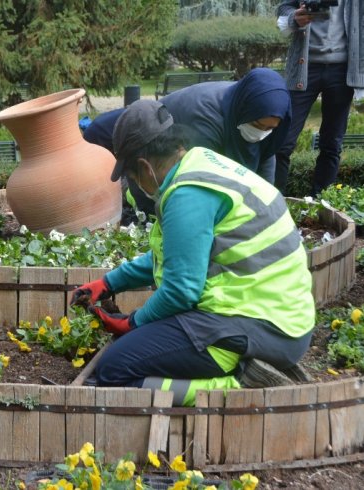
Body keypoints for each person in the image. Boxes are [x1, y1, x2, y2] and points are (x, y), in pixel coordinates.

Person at [71, 99, 315, 406]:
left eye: (132, 177)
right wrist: (109, 283)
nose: (134, 185)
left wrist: (132, 322)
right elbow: (176, 258)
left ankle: (236, 386)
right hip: (279, 318)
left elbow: (180, 291)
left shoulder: (187, 195)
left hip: (258, 327)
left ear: (145, 167)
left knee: (114, 370)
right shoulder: (201, 163)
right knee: (135, 347)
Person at [83, 68, 291, 216]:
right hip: (120, 137)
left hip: (153, 152)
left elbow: (264, 168)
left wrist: (265, 206)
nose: (260, 133)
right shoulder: (205, 119)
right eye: (257, 124)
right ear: (245, 112)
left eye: (269, 129)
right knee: (146, 203)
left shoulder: (255, 106)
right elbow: (200, 187)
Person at [274, 0, 364, 196]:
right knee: (282, 143)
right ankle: (273, 207)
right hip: (304, 68)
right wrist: (294, 18)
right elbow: (284, 8)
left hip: (342, 72)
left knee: (332, 145)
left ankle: (321, 205)